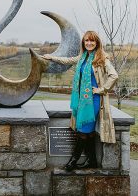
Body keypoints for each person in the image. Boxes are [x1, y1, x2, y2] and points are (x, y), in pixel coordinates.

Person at [43, 31, 118, 171]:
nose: (89, 43)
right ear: (83, 43)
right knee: (88, 132)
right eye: (86, 41)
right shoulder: (83, 57)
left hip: (93, 101)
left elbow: (114, 75)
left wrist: (102, 89)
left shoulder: (101, 59)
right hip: (82, 101)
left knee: (82, 131)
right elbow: (67, 60)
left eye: (92, 41)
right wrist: (51, 58)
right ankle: (92, 161)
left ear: (97, 43)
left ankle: (73, 160)